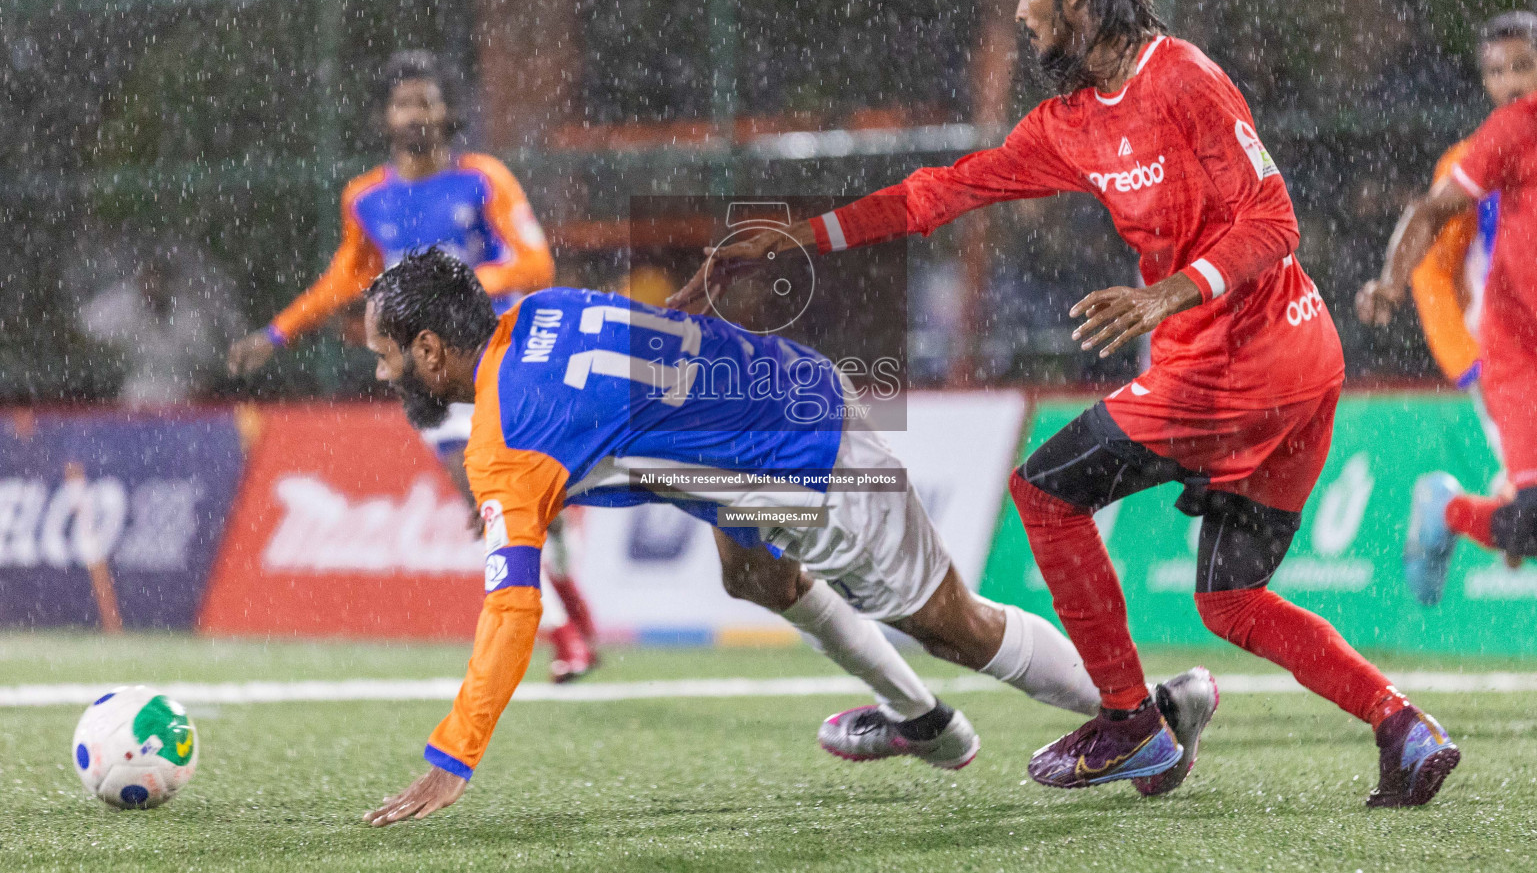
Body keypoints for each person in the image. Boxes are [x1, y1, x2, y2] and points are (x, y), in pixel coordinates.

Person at [672, 0, 1460, 807]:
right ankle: (1403, 727)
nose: (1018, 7)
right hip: (1291, 367)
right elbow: (941, 192)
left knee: (1043, 493)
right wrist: (801, 237)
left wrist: (1166, 293)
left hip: (1240, 368)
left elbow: (1273, 220)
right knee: (1229, 603)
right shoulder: (1068, 125)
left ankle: (1130, 722)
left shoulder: (1185, 80)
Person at [356, 250, 1216, 826]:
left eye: (387, 354)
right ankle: (920, 720)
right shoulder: (542, 312)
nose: (382, 371)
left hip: (803, 456)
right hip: (777, 394)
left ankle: (1144, 713)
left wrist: (453, 755)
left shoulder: (504, 441)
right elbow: (631, 366)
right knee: (755, 576)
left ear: (431, 349)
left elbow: (511, 608)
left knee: (950, 622)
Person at [224, 49, 597, 681]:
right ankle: (567, 638)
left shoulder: (483, 180)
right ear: (385, 117)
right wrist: (277, 333)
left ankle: (577, 622)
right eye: (404, 103)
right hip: (427, 374)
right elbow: (346, 276)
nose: (415, 113)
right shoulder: (366, 199)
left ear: (447, 111)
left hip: (499, 361)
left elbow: (536, 266)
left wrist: (451, 285)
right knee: (482, 494)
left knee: (538, 510)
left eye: (426, 101)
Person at [1358, 14, 1537, 593]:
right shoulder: (1499, 141)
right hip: (1514, 350)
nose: (1510, 83)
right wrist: (1391, 284)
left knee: (1528, 522)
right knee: (1531, 519)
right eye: (1496, 72)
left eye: (1522, 67)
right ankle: (1461, 511)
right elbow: (1432, 236)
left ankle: (1504, 519)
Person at [79, 241, 243, 407]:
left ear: (169, 281)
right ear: (139, 279)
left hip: (180, 396)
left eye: (158, 278)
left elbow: (207, 359)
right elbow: (83, 331)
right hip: (134, 395)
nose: (153, 285)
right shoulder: (120, 305)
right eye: (148, 277)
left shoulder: (188, 314)